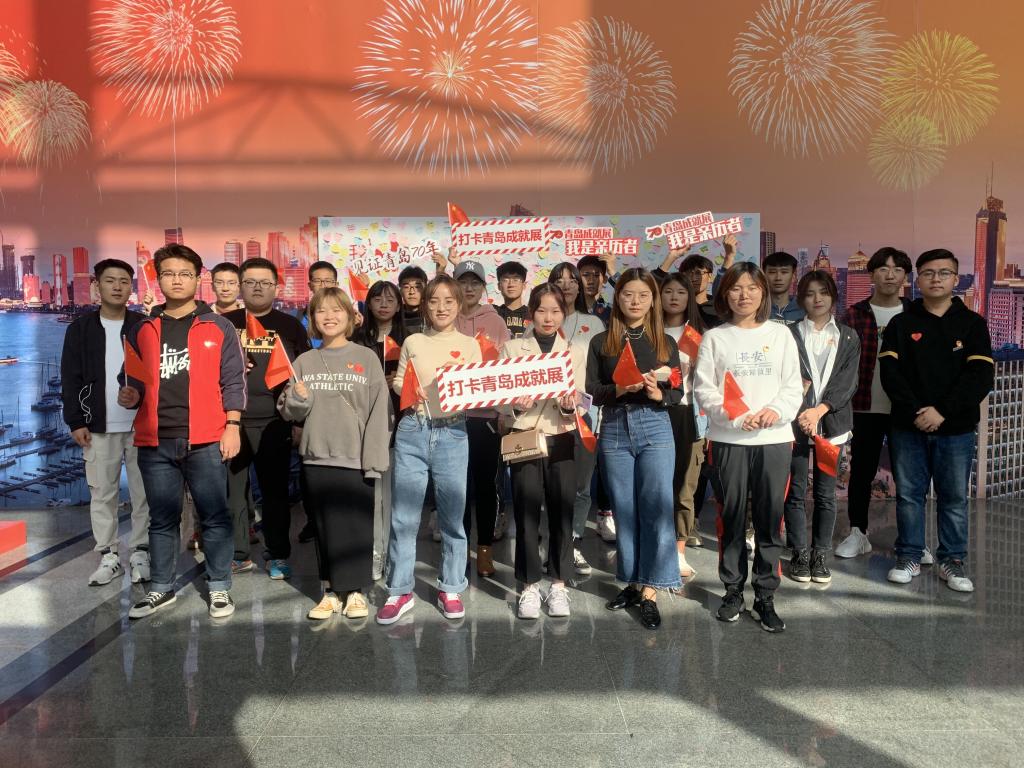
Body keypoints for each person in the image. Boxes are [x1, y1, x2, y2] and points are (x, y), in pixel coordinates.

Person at [121, 244, 246, 620]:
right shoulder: (143, 328)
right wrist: (129, 394)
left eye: (185, 274)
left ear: (198, 278)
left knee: (214, 515)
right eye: (169, 274)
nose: (176, 280)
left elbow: (233, 379)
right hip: (155, 440)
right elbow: (131, 378)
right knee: (162, 519)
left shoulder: (218, 326)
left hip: (206, 438)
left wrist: (233, 426)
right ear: (158, 279)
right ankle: (161, 588)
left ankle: (220, 585)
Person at [693, 262, 802, 632]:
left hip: (774, 439)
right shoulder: (715, 338)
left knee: (771, 517)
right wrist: (737, 418)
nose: (744, 295)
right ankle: (733, 591)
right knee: (732, 516)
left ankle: (766, 595)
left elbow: (793, 385)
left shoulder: (781, 334)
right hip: (729, 440)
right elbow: (704, 390)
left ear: (763, 293)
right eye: (736, 288)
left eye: (752, 287)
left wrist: (775, 411)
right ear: (725, 294)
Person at [880, 249, 993, 592]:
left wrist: (941, 411)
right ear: (918, 279)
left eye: (944, 273)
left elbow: (979, 377)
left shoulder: (972, 324)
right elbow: (890, 374)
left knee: (954, 497)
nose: (936, 279)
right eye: (928, 273)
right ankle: (909, 555)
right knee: (909, 496)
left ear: (956, 279)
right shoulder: (902, 323)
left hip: (956, 429)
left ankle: (952, 561)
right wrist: (918, 412)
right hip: (908, 426)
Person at [280, 287, 391, 620]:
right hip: (316, 458)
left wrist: (374, 459)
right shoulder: (304, 361)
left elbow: (380, 412)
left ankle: (355, 592)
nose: (329, 317)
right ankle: (329, 591)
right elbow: (289, 411)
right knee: (324, 526)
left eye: (336, 310)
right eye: (321, 311)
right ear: (313, 319)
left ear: (350, 316)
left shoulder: (366, 358)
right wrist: (297, 398)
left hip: (356, 457)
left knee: (356, 526)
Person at [377, 275, 482, 624]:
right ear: (425, 305)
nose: (441, 308)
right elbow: (398, 380)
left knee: (452, 516)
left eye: (448, 301)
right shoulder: (413, 340)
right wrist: (409, 389)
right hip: (413, 430)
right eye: (434, 301)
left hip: (453, 433)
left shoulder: (470, 345)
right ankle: (399, 590)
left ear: (459, 305)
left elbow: (476, 389)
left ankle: (450, 586)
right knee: (405, 517)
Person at [587, 267, 684, 629]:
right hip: (614, 427)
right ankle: (631, 582)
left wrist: (659, 394)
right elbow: (592, 391)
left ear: (653, 300)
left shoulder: (665, 343)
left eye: (643, 295)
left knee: (656, 508)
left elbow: (677, 391)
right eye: (628, 294)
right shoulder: (602, 341)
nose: (635, 301)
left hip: (654, 425)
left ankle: (652, 591)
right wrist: (618, 389)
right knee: (624, 511)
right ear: (618, 297)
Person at [61, 258, 150, 586]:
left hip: (141, 425)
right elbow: (70, 378)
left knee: (144, 493)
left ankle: (141, 552)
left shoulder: (144, 326)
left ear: (131, 288)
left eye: (124, 281)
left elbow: (156, 374)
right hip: (97, 424)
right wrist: (75, 421)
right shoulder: (80, 329)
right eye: (110, 280)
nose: (117, 287)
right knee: (102, 494)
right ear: (97, 286)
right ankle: (109, 555)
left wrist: (140, 396)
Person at [223, 258, 310, 579]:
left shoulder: (290, 326)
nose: (257, 288)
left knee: (275, 494)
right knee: (233, 494)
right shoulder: (223, 323)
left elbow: (303, 378)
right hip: (232, 421)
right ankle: (238, 554)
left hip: (276, 421)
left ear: (276, 287)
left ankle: (278, 554)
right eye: (250, 282)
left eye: (265, 282)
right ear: (240, 286)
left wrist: (298, 423)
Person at [501, 284, 584, 618]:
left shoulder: (574, 351)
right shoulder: (512, 349)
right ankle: (529, 585)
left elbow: (581, 402)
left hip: (560, 436)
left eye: (555, 311)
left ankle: (559, 584)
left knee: (562, 512)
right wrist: (516, 405)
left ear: (564, 313)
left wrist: (568, 406)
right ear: (530, 313)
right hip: (524, 436)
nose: (548, 318)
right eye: (541, 310)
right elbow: (501, 403)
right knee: (526, 512)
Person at [836, 247, 914, 559]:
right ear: (871, 274)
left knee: (909, 476)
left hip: (905, 408)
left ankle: (912, 540)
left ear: (905, 276)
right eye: (883, 269)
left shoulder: (916, 314)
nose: (890, 275)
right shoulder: (854, 314)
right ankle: (858, 532)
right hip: (864, 406)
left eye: (897, 269)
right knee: (861, 473)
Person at [783, 271, 859, 584]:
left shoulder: (848, 336)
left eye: (824, 292)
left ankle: (820, 555)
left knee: (827, 494)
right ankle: (799, 553)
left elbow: (848, 382)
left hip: (833, 425)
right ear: (801, 298)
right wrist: (804, 414)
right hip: (796, 424)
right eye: (810, 293)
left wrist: (819, 410)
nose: (817, 299)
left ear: (833, 296)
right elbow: (786, 378)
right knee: (796, 492)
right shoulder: (788, 334)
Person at [453, 259, 511, 575]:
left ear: (484, 288)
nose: (469, 288)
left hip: (486, 418)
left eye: (475, 282)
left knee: (486, 486)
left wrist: (502, 411)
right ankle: (459, 550)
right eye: (463, 282)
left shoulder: (496, 322)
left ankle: (485, 548)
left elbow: (506, 368)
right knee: (456, 488)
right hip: (453, 418)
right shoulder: (446, 318)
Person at [548, 262, 606, 573]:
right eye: (559, 280)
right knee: (551, 485)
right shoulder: (539, 324)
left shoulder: (593, 323)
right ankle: (553, 544)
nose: (567, 285)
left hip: (585, 415)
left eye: (572, 279)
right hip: (546, 418)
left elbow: (601, 372)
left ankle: (572, 541)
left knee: (582, 484)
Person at [353, 280, 406, 580]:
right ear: (369, 304)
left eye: (390, 299)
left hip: (401, 425)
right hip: (366, 426)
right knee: (373, 498)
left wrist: (399, 382)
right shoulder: (357, 340)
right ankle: (374, 554)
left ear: (399, 305)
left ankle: (395, 555)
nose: (384, 304)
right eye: (377, 298)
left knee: (397, 499)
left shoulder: (410, 340)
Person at [659, 271, 707, 579]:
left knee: (685, 485)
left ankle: (678, 550)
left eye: (680, 292)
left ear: (689, 297)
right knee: (656, 483)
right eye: (668, 291)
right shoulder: (648, 332)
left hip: (690, 412)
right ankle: (656, 545)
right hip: (656, 411)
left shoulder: (700, 334)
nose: (674, 297)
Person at [678, 254, 722, 329]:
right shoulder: (677, 306)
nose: (694, 278)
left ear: (710, 276)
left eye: (699, 273)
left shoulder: (719, 307)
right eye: (689, 273)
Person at [762, 251, 804, 324]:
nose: (778, 278)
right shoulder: (756, 308)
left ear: (793, 277)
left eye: (784, 272)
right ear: (764, 276)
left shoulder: (804, 310)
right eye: (772, 272)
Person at [495, 260, 530, 338]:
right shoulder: (493, 313)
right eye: (505, 280)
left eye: (516, 280)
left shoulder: (533, 315)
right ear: (499, 286)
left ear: (524, 285)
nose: (511, 284)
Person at [578, 254, 613, 323]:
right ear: (577, 278)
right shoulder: (570, 309)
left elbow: (629, 292)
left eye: (596, 275)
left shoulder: (612, 312)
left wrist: (612, 272)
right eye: (586, 275)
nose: (591, 281)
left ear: (605, 279)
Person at [398, 264, 428, 335]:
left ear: (425, 289)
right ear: (400, 290)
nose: (412, 292)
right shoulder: (394, 316)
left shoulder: (431, 315)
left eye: (417, 287)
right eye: (406, 287)